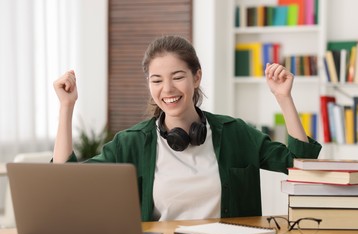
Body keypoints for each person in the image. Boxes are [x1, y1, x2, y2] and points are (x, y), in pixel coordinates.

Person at [53, 35, 322, 222]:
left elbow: (301, 166)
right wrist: (67, 107)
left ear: (196, 77)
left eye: (178, 77)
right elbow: (65, 183)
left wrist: (284, 98)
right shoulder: (131, 143)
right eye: (156, 80)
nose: (167, 89)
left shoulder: (235, 132)